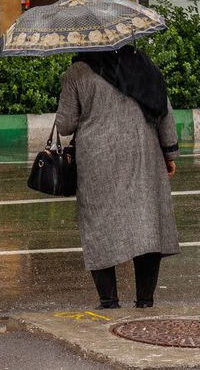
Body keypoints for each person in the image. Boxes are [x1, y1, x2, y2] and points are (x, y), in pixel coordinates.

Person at [55, 45, 180, 309]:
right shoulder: (143, 65)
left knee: (99, 226)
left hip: (98, 162)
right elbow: (163, 109)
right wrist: (169, 152)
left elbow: (65, 125)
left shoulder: (77, 73)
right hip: (144, 156)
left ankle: (109, 302)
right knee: (146, 225)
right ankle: (145, 300)